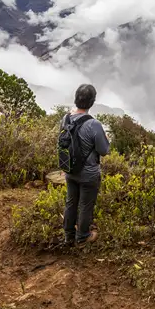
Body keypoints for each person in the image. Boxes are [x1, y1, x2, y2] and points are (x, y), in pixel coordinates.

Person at [63, 84, 110, 246]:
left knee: (70, 202)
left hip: (69, 169)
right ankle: (82, 236)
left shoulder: (66, 118)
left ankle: (69, 235)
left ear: (76, 98)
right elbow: (104, 150)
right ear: (92, 102)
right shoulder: (94, 125)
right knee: (85, 204)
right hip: (88, 174)